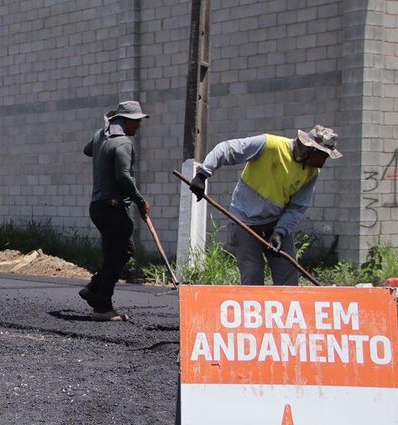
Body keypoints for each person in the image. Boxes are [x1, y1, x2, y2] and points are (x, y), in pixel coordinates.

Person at [188, 124, 342, 286]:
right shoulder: (269, 145)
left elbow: (297, 207)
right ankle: (252, 309)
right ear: (310, 149)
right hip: (244, 222)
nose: (323, 162)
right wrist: (202, 174)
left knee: (288, 273)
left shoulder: (312, 171)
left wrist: (279, 232)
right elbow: (225, 149)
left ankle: (286, 309)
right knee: (252, 273)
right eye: (323, 156)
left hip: (275, 223)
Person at [79, 101, 151, 321]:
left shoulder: (101, 135)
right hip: (113, 206)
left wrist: (103, 143)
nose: (138, 126)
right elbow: (123, 177)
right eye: (136, 122)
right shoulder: (122, 143)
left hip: (97, 207)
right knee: (118, 253)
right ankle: (102, 307)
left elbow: (87, 150)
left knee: (119, 251)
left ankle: (95, 288)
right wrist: (140, 200)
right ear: (125, 121)